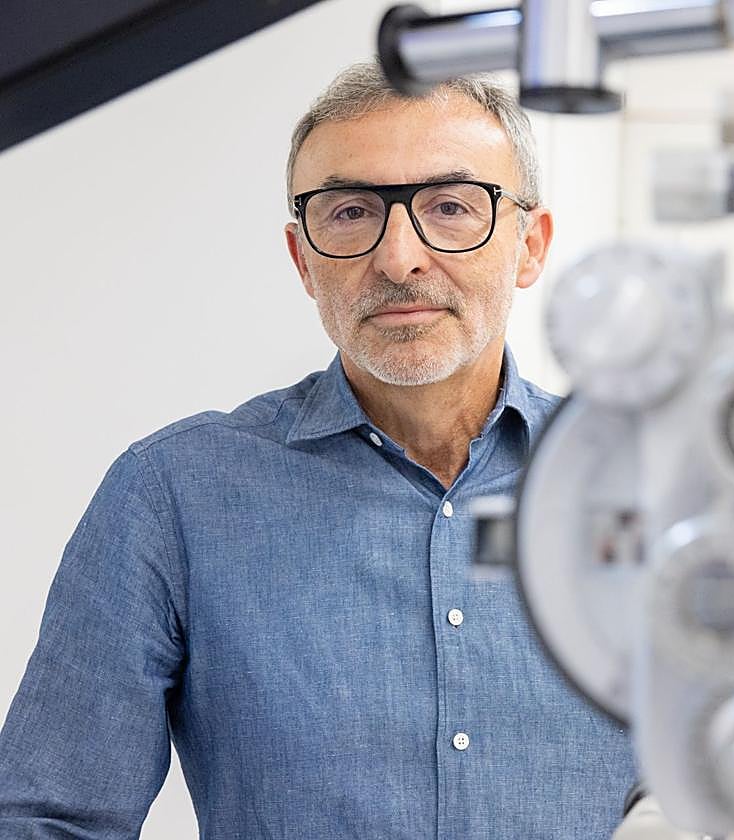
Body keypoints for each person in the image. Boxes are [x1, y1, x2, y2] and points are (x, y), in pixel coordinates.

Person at [0, 62, 637, 839]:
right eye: (349, 212)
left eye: (451, 206)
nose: (400, 257)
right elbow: (49, 821)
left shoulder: (649, 482)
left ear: (529, 245)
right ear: (303, 260)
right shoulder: (173, 497)